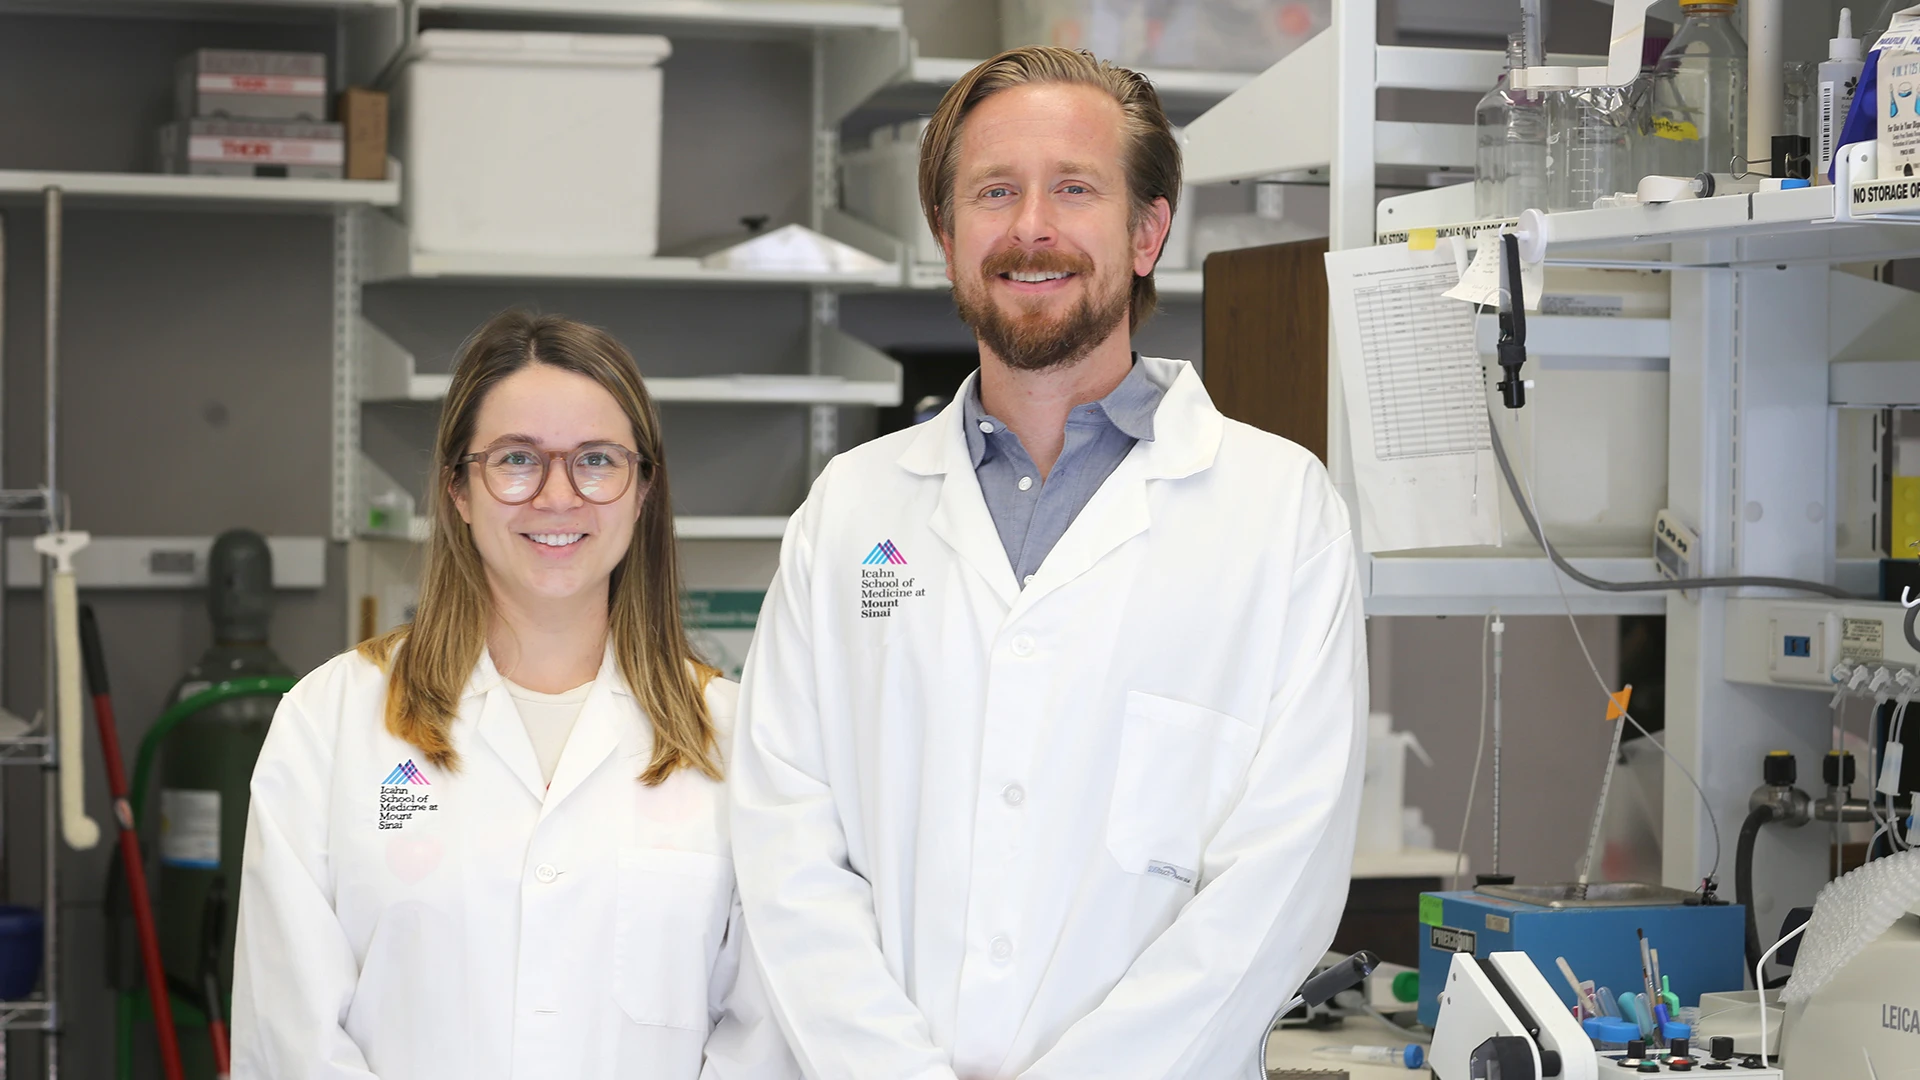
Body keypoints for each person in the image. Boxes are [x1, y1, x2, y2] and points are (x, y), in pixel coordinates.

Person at [729, 46, 1368, 1080]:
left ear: (1149, 230)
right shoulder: (849, 513)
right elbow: (787, 852)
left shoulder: (1279, 513)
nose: (1032, 228)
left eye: (1075, 188)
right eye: (994, 192)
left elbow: (1277, 883)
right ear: (946, 236)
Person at [231, 312, 794, 1080]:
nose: (558, 496)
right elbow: (288, 1035)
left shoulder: (738, 739)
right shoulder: (329, 724)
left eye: (596, 460)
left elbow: (760, 1036)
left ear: (642, 489)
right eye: (516, 460)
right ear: (458, 488)